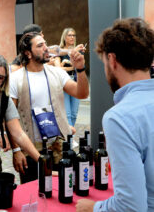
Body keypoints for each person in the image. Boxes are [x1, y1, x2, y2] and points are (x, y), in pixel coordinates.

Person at [76, 18, 154, 211]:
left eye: (104, 63)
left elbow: (130, 206)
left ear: (112, 60)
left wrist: (93, 208)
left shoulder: (119, 117)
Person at [9, 31, 88, 181]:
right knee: (33, 194)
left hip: (58, 147)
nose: (46, 48)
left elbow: (82, 93)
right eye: (40, 45)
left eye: (45, 44)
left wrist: (80, 69)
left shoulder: (57, 73)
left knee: (61, 189)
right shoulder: (15, 79)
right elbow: (10, 118)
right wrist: (16, 150)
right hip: (31, 149)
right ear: (28, 53)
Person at [58, 28, 84, 126]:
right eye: (70, 35)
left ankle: (70, 137)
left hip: (76, 81)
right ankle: (70, 140)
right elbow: (58, 69)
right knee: (67, 114)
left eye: (74, 35)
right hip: (64, 82)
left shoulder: (78, 51)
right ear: (64, 37)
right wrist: (72, 67)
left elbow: (81, 66)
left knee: (73, 114)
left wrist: (67, 65)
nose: (72, 37)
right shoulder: (59, 51)